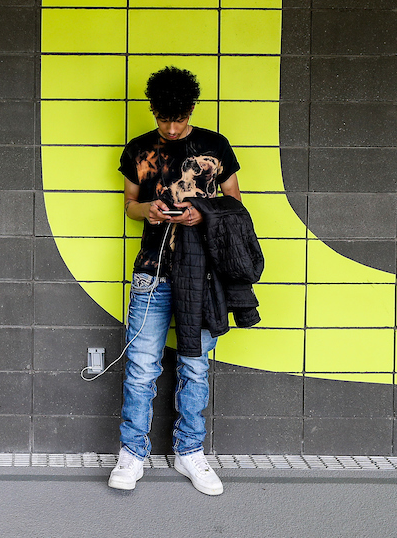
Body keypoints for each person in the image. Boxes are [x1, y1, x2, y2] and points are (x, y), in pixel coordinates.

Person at [108, 66, 241, 497]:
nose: (170, 128)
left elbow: (235, 204)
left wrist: (201, 214)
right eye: (163, 119)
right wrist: (147, 211)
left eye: (178, 119)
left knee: (195, 366)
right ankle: (132, 453)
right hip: (152, 272)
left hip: (201, 274)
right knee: (141, 366)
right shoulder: (138, 149)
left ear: (191, 109)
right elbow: (129, 203)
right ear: (153, 110)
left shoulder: (215, 145)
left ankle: (190, 452)